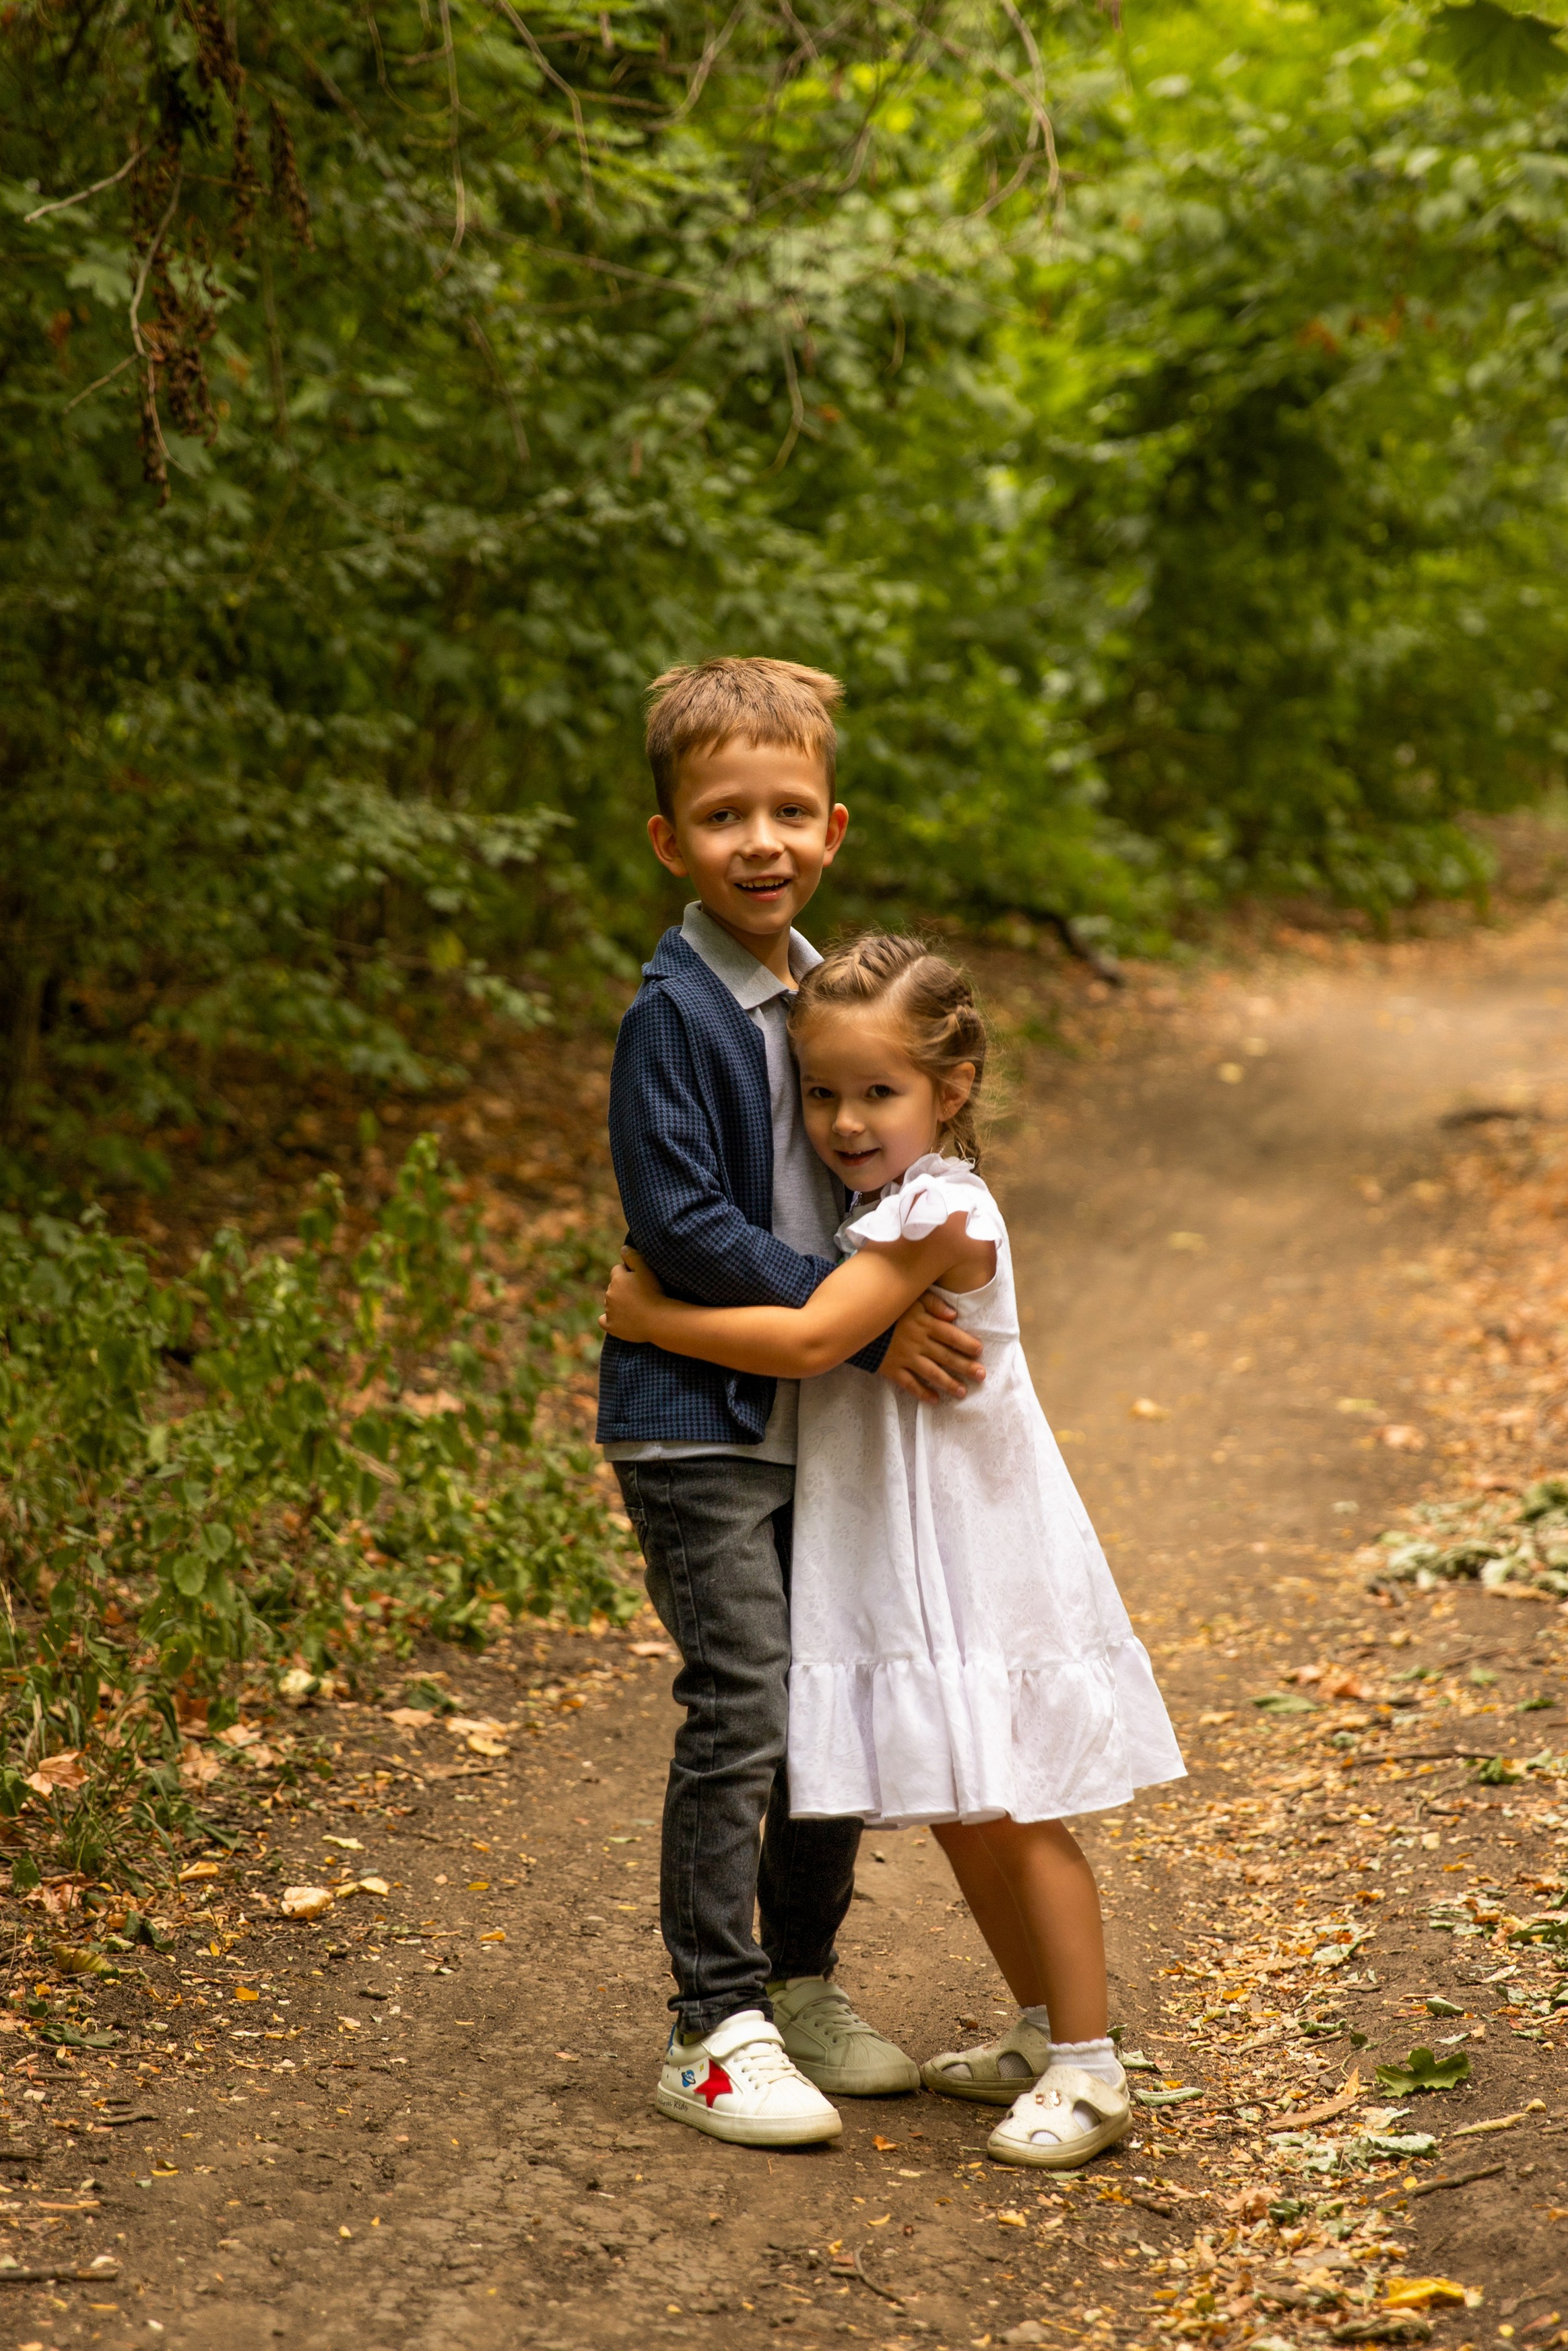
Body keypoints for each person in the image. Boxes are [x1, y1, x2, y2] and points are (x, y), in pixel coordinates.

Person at [603, 932, 1185, 2168]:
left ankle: (1091, 2067)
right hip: (923, 1548)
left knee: (1020, 1805)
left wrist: (652, 1315)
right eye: (821, 1093)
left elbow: (816, 1339)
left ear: (952, 1086)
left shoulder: (939, 1208)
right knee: (970, 1809)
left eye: (879, 1091)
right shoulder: (879, 1207)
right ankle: (1043, 2029)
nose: (846, 1121)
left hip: (978, 1544)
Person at [596, 658, 989, 2150]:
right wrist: (855, 1329)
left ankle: (798, 1982)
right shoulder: (677, 1012)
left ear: (832, 827)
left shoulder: (832, 997)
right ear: (668, 842)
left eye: (784, 812)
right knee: (744, 1696)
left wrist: (882, 1316)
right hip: (699, 1420)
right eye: (720, 817)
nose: (756, 842)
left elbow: (896, 1165)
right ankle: (711, 2024)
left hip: (811, 1420)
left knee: (820, 1693)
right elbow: (682, 1221)